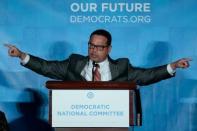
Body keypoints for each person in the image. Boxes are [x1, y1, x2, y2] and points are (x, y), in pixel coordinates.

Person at [4, 29, 191, 129]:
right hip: (73, 125)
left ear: (109, 49)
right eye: (90, 45)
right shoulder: (74, 63)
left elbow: (146, 76)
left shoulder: (122, 66)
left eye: (99, 47)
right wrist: (22, 55)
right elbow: (46, 67)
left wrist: (172, 66)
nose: (93, 50)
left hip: (111, 126)